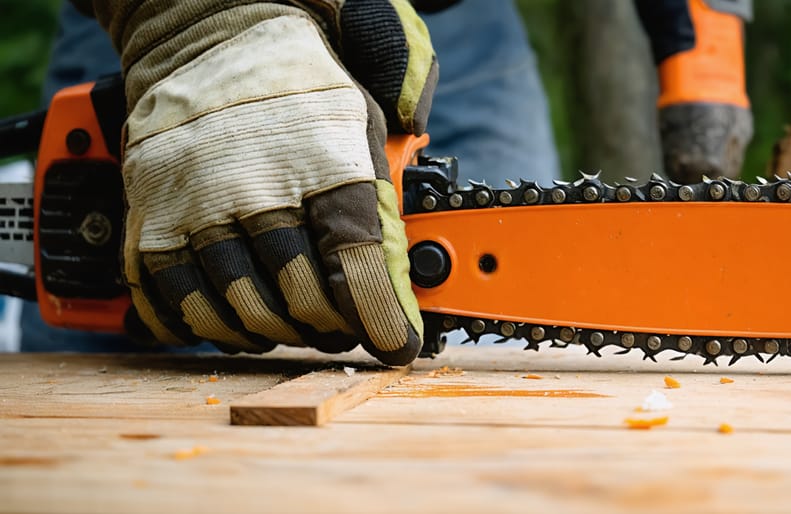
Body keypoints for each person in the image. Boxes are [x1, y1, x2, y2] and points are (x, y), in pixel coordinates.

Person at [22, 0, 751, 365]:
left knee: (489, 380)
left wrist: (703, 47)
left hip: (451, 34)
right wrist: (187, 17)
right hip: (163, 38)